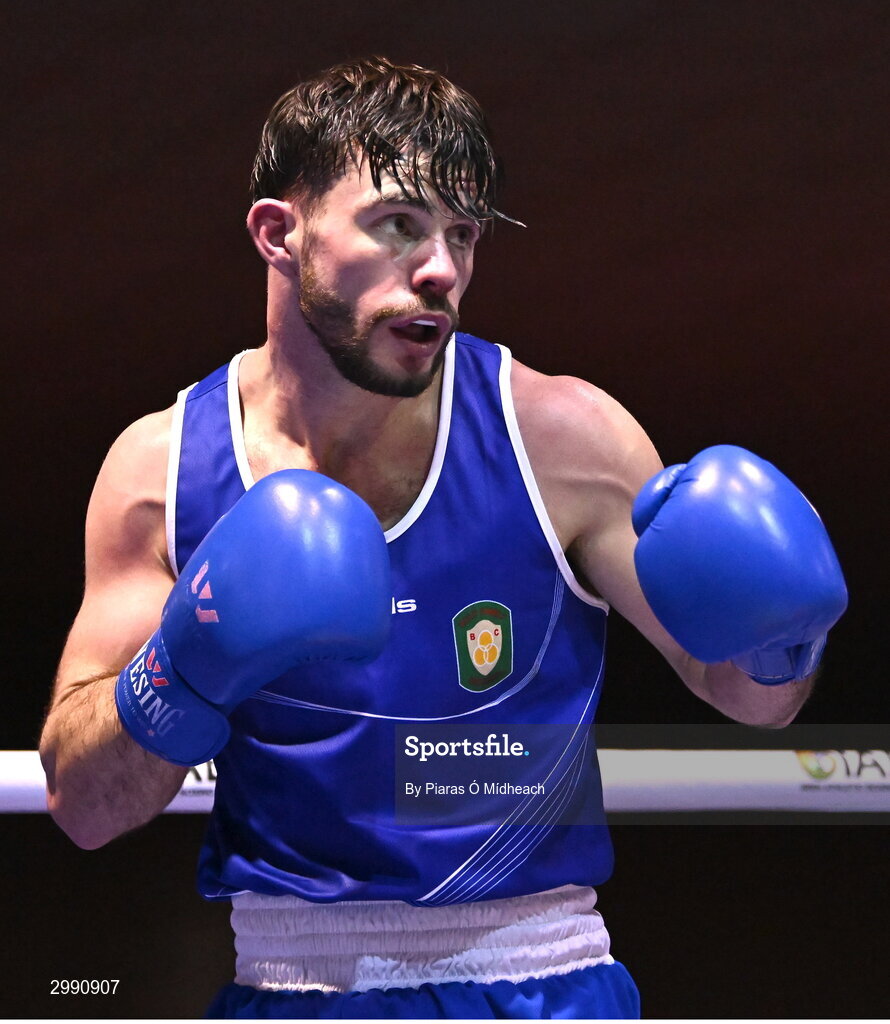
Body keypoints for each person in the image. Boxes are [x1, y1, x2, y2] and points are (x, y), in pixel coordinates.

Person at [39, 57, 847, 1019]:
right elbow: (85, 808)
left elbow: (753, 699)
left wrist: (782, 636)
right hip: (294, 986)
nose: (441, 269)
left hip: (546, 984)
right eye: (398, 225)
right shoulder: (163, 472)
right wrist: (185, 664)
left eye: (461, 234)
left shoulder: (561, 440)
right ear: (278, 233)